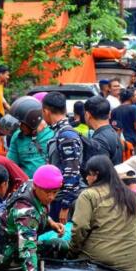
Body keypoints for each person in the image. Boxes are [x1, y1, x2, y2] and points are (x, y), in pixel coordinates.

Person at [70, 156, 136, 271]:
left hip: (99, 260)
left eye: (88, 174)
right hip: (134, 263)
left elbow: (80, 227)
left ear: (96, 174)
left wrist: (72, 252)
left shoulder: (88, 195)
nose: (86, 178)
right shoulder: (132, 197)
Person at [0, 165, 66, 271]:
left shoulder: (32, 186)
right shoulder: (25, 210)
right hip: (6, 252)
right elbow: (27, 247)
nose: (51, 197)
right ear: (36, 187)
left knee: (62, 245)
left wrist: (52, 223)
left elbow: (40, 209)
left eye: (55, 192)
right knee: (58, 246)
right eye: (47, 192)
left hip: (18, 239)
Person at [43, 92, 83, 223]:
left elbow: (72, 171)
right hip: (58, 198)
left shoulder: (66, 135)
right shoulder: (59, 133)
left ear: (46, 111)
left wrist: (65, 206)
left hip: (65, 201)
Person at [6, 96, 54, 178]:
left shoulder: (52, 134)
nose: (20, 127)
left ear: (32, 120)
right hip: (26, 186)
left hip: (49, 185)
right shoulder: (17, 136)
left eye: (22, 124)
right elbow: (11, 165)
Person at [85, 96, 123, 164]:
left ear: (88, 115)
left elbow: (100, 170)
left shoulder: (99, 140)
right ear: (109, 114)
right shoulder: (114, 133)